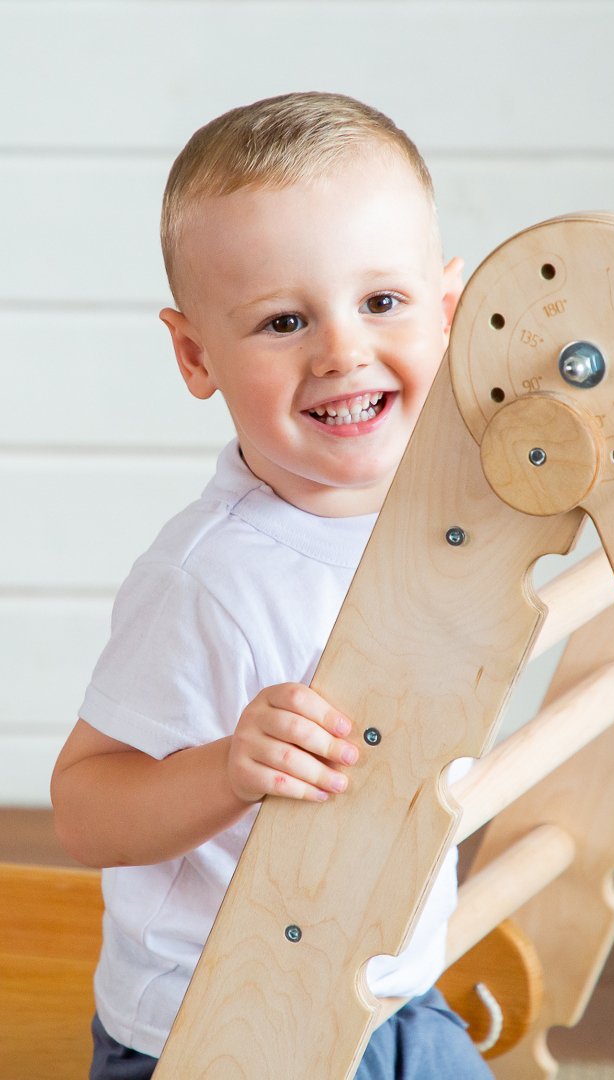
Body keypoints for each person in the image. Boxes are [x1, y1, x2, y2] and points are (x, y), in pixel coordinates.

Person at [49, 91, 492, 1079]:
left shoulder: (455, 508)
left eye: (382, 302)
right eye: (285, 320)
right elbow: (81, 809)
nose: (342, 350)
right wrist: (226, 770)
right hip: (220, 1028)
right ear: (196, 355)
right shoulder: (212, 580)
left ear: (449, 311)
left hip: (395, 988)